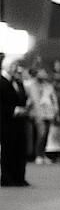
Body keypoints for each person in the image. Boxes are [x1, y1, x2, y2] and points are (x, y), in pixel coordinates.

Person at [0, 58, 28, 186]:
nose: (16, 68)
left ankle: (19, 177)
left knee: (20, 149)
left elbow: (22, 98)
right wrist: (13, 110)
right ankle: (7, 178)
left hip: (20, 122)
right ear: (7, 67)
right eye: (13, 66)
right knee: (8, 150)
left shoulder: (17, 81)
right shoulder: (1, 81)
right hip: (6, 121)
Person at [26, 65, 57, 163]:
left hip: (49, 112)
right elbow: (31, 100)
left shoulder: (48, 85)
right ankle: (38, 155)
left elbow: (53, 98)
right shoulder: (31, 85)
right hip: (38, 113)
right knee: (41, 134)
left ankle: (43, 154)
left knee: (46, 134)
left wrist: (56, 109)